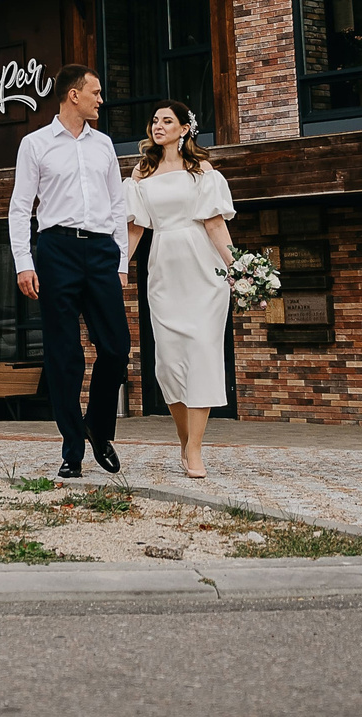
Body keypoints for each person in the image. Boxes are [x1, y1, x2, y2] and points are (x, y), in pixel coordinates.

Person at [9, 64, 130, 479]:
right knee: (64, 355)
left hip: (99, 251)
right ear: (73, 96)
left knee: (116, 347)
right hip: (56, 250)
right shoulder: (35, 144)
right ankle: (71, 448)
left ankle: (97, 426)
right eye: (95, 93)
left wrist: (120, 262)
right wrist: (24, 262)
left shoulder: (104, 145)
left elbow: (118, 206)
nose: (101, 99)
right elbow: (21, 208)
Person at [124, 101, 234, 479]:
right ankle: (184, 441)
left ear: (185, 128)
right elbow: (135, 227)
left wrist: (239, 267)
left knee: (202, 353)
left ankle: (197, 450)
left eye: (167, 120)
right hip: (164, 267)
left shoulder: (202, 169)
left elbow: (215, 223)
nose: (158, 126)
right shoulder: (142, 171)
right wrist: (118, 266)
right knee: (170, 363)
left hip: (203, 267)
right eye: (154, 120)